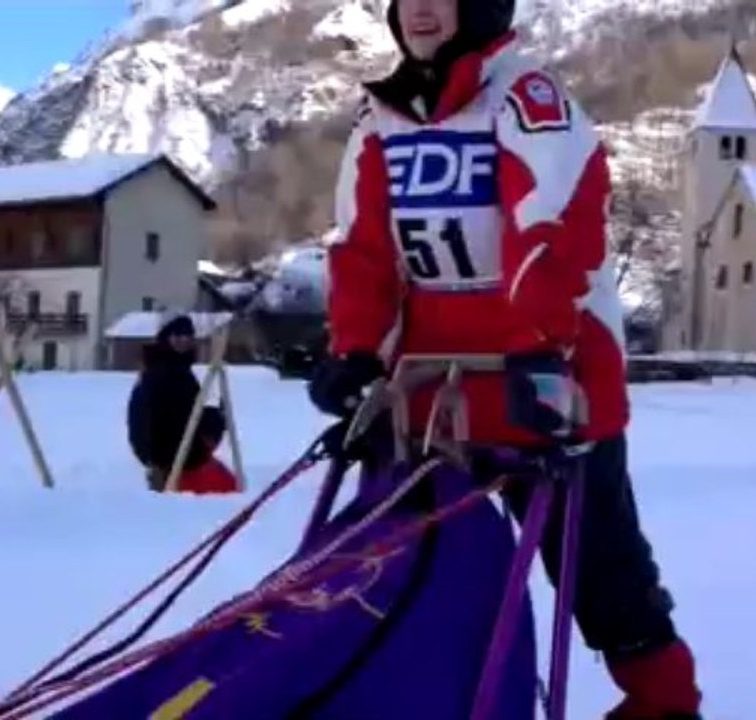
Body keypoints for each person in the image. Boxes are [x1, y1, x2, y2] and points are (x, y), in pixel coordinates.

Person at [306, 0, 703, 718]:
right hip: (432, 399)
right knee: (401, 562)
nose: (420, 10)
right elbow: (361, 250)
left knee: (598, 571)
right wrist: (356, 353)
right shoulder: (379, 123)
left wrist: (538, 348)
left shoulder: (525, 99)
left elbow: (550, 227)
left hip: (549, 382)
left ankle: (663, 701)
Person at [127, 314, 239, 495]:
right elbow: (149, 419)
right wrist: (156, 461)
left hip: (186, 457)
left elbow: (187, 414)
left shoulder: (179, 372)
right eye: (178, 336)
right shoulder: (160, 374)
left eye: (188, 336)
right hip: (172, 463)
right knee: (225, 495)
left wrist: (214, 419)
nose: (183, 340)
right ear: (166, 338)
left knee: (230, 489)